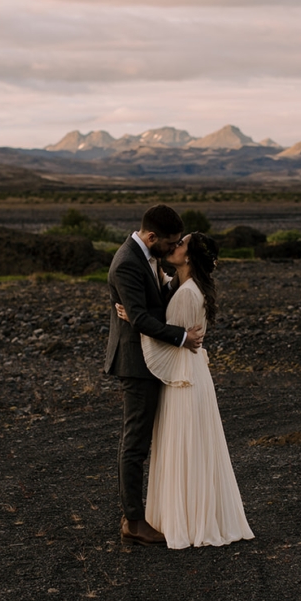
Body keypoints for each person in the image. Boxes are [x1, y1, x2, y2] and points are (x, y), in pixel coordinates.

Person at [121, 232, 254, 549]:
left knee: (185, 446)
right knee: (193, 446)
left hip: (183, 379)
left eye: (181, 243)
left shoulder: (186, 294)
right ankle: (193, 515)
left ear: (190, 256)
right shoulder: (185, 287)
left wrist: (135, 318)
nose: (174, 245)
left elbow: (168, 339)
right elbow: (172, 323)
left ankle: (188, 521)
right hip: (193, 375)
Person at [104, 204, 205, 546]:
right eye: (170, 242)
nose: (172, 248)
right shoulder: (127, 263)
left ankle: (149, 512)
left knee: (149, 439)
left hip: (151, 358)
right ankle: (133, 521)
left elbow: (152, 308)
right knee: (135, 442)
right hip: (136, 362)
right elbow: (142, 318)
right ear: (152, 237)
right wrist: (182, 337)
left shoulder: (147, 256)